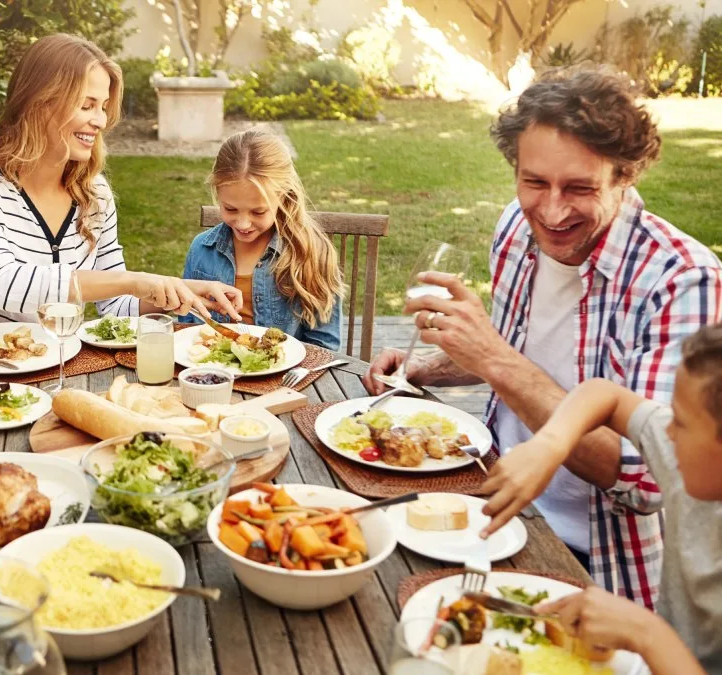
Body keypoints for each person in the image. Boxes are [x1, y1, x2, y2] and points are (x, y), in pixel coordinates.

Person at [363, 67, 722, 606]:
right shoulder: (517, 226)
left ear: (625, 176)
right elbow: (517, 351)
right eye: (534, 182)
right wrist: (433, 366)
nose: (551, 212)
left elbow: (646, 480)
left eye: (579, 188)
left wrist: (495, 359)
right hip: (485, 504)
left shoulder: (682, 280)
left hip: (598, 563)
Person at [0, 34, 242, 330]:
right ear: (39, 103)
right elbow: (4, 285)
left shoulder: (93, 193)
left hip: (61, 365)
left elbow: (115, 304)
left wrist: (179, 290)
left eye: (103, 106)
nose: (100, 121)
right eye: (86, 106)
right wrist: (135, 281)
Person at [478, 322, 722, 673]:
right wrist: (550, 445)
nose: (667, 433)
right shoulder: (691, 465)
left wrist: (647, 632)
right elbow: (607, 394)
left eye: (680, 423)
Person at [181, 128, 344, 349]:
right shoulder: (201, 249)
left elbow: (324, 346)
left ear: (284, 197)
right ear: (217, 194)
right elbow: (187, 330)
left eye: (258, 212)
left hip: (286, 379)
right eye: (230, 209)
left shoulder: (311, 254)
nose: (243, 223)